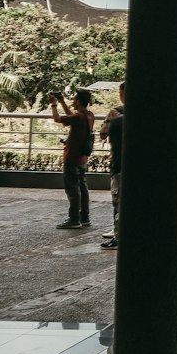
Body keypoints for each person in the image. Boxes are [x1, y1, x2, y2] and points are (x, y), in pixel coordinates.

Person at [49, 88, 95, 230]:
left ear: (79, 102)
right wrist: (62, 101)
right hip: (82, 157)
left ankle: (74, 219)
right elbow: (72, 117)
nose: (73, 101)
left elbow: (57, 119)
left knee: (72, 189)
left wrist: (54, 104)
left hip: (72, 157)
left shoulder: (79, 117)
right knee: (82, 187)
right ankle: (84, 217)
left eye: (74, 99)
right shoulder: (89, 115)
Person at [100, 82, 125, 249]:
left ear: (122, 94)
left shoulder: (116, 115)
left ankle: (118, 237)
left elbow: (102, 134)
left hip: (118, 164)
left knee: (118, 202)